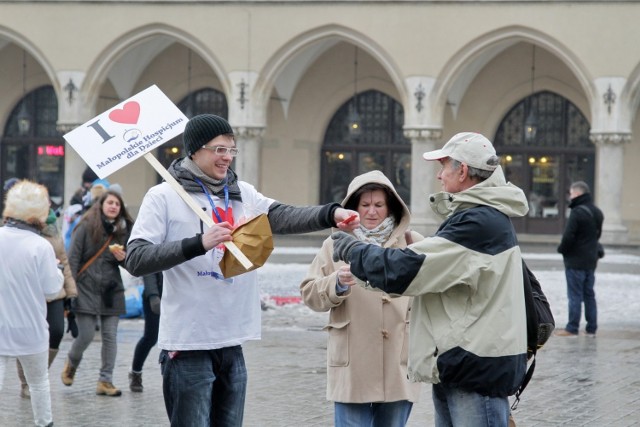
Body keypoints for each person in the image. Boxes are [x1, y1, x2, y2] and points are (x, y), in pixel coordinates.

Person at [124, 113, 359, 427]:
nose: (227, 158)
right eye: (219, 149)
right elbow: (136, 258)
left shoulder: (241, 193)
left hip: (231, 340)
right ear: (194, 150)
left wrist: (332, 213)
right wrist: (198, 243)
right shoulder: (163, 196)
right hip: (188, 343)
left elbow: (284, 215)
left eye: (231, 150)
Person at [331, 132, 530, 427]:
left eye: (445, 166)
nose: (439, 175)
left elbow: (411, 269)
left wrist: (356, 251)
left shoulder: (478, 222)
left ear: (462, 171)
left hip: (475, 369)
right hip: (463, 364)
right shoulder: (479, 217)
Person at [300, 170, 422, 427]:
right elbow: (309, 294)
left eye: (379, 205)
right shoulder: (334, 245)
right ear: (353, 209)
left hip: (399, 363)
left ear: (391, 208)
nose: (371, 211)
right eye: (364, 205)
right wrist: (336, 284)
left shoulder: (414, 243)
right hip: (352, 364)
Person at [0, 180, 63, 427]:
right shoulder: (40, 246)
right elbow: (52, 289)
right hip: (30, 327)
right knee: (38, 383)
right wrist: (57, 270)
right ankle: (44, 423)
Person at [61, 189, 134, 396]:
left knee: (110, 336)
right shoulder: (85, 226)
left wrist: (124, 259)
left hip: (111, 289)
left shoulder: (124, 230)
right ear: (101, 205)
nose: (113, 206)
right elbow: (72, 259)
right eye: (110, 203)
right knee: (85, 335)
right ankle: (72, 362)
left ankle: (105, 380)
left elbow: (133, 264)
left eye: (117, 204)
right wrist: (70, 290)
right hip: (85, 288)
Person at [15, 205, 78, 399]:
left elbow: (65, 264)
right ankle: (27, 381)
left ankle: (39, 374)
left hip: (55, 292)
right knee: (29, 338)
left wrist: (71, 294)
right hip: (30, 293)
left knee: (57, 332)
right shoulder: (20, 234)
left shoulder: (54, 232)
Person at [555, 181, 604, 337]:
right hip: (591, 260)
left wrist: (562, 249)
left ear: (577, 194)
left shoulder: (577, 212)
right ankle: (591, 328)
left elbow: (568, 237)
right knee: (589, 294)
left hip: (575, 260)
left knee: (575, 295)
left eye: (571, 193)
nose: (570, 196)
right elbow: (596, 236)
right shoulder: (597, 212)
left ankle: (572, 327)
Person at [129, 271, 163, 392]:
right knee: (150, 337)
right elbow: (150, 269)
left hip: (177, 297)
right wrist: (153, 295)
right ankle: (135, 373)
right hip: (154, 296)